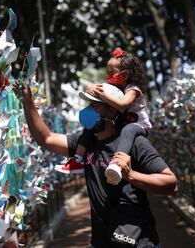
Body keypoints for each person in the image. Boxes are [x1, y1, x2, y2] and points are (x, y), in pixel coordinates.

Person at [13, 79, 177, 248]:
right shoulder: (86, 143)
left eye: (96, 105)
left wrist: (131, 174)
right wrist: (28, 102)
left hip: (137, 242)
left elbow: (171, 183)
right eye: (89, 104)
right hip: (101, 242)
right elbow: (47, 138)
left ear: (113, 110)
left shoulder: (135, 143)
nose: (88, 110)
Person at [56, 48, 152, 186]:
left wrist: (103, 95)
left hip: (138, 125)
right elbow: (101, 88)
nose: (108, 75)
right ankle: (78, 159)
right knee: (91, 122)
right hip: (122, 122)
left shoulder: (133, 89)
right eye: (107, 72)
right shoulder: (115, 86)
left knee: (128, 131)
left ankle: (117, 164)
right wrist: (91, 88)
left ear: (125, 75)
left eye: (112, 73)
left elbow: (122, 105)